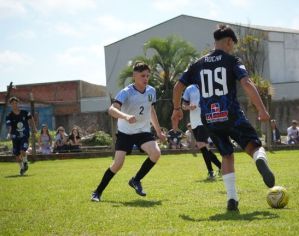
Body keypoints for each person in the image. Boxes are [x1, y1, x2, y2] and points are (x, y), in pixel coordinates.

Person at [171, 24, 275, 212]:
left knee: (226, 155)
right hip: (231, 115)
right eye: (232, 45)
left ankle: (232, 199)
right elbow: (247, 83)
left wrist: (177, 109)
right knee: (255, 146)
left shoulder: (197, 64)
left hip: (210, 119)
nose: (232, 48)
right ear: (228, 41)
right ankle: (259, 159)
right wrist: (261, 109)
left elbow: (177, 87)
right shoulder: (232, 60)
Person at [91, 61, 165, 202]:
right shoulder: (126, 92)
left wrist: (158, 131)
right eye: (143, 75)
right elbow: (112, 109)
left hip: (143, 131)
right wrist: (126, 116)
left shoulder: (151, 91)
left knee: (156, 153)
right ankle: (97, 192)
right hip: (126, 132)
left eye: (148, 76)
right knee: (118, 164)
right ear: (134, 76)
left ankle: (136, 180)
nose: (146, 78)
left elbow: (151, 111)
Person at [182, 84, 222, 180]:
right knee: (204, 148)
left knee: (200, 145)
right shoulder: (189, 88)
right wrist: (188, 107)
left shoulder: (209, 86)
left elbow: (217, 102)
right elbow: (183, 105)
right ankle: (216, 169)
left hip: (206, 120)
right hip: (194, 122)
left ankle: (216, 169)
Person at [5, 96, 37, 175]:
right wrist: (9, 133)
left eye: (16, 103)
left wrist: (34, 128)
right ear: (10, 105)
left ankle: (25, 163)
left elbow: (31, 118)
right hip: (15, 137)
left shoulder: (25, 113)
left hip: (24, 135)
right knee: (17, 155)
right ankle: (22, 168)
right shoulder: (9, 116)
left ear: (18, 104)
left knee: (23, 150)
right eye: (13, 104)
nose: (14, 105)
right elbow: (9, 126)